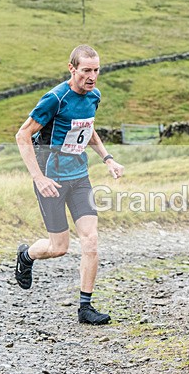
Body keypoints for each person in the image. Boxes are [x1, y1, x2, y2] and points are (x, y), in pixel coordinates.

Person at [14, 44, 124, 325]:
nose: (92, 76)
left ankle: (85, 307)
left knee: (91, 239)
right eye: (86, 70)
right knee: (58, 246)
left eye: (97, 70)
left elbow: (88, 128)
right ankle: (26, 256)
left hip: (79, 178)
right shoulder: (55, 99)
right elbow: (22, 135)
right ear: (72, 68)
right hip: (51, 180)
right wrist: (38, 178)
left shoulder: (94, 96)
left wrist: (107, 158)